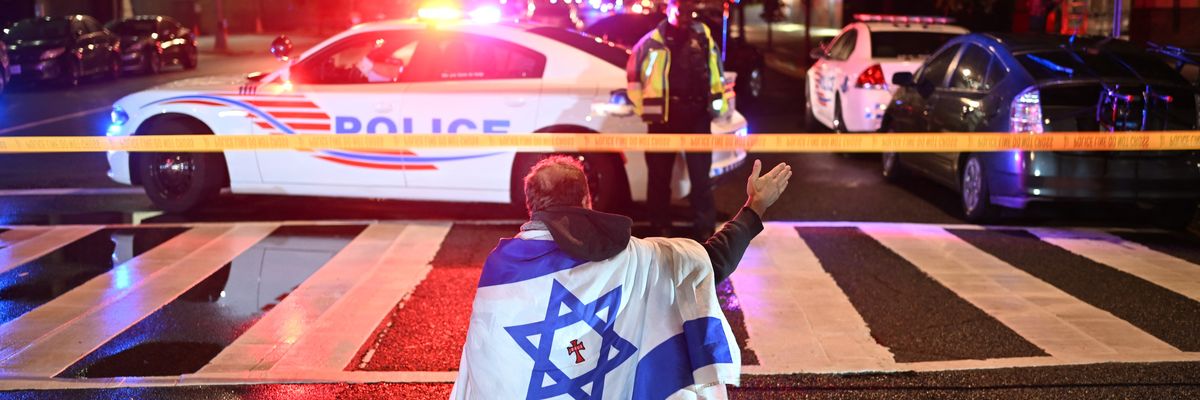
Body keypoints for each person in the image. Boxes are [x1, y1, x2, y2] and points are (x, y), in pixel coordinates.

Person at [451, 156, 791, 399]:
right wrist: (754, 207)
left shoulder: (501, 272)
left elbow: (487, 364)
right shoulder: (635, 258)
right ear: (587, 199)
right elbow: (709, 262)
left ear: (530, 206)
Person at [626, 0, 728, 241]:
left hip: (697, 117)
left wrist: (716, 106)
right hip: (663, 120)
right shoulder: (651, 42)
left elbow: (716, 72)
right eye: (679, 9)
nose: (684, 15)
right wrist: (645, 109)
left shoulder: (703, 36)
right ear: (668, 9)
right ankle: (659, 226)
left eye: (688, 10)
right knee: (659, 178)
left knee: (701, 177)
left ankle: (704, 227)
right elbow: (633, 78)